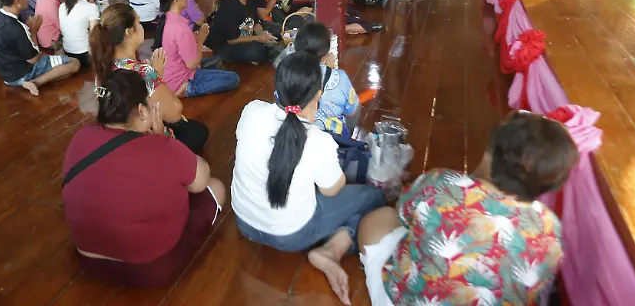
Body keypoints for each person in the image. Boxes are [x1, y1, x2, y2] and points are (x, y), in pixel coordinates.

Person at [357, 111, 579, 306]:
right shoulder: (551, 229)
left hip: (406, 299)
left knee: (380, 219)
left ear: (490, 154)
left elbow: (402, 213)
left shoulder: (441, 183)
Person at [232, 52, 386, 305]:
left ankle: (328, 245)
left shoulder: (251, 111)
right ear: (318, 95)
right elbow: (332, 190)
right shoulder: (318, 141)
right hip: (291, 236)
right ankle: (331, 250)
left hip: (244, 223)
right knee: (374, 196)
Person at [62, 68, 225, 286]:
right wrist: (165, 141)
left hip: (87, 258)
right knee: (216, 187)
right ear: (141, 110)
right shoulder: (163, 147)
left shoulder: (81, 136)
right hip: (147, 269)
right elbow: (200, 182)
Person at [89, 3, 210, 152]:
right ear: (128, 32)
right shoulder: (143, 71)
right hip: (145, 139)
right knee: (197, 130)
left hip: (117, 137)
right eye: (138, 23)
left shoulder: (102, 69)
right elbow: (175, 113)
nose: (141, 27)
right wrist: (157, 76)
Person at [0, 0, 80, 95]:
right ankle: (36, 82)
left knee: (57, 57)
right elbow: (33, 59)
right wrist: (34, 31)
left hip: (7, 76)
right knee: (74, 63)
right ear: (17, 0)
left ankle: (30, 79)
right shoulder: (17, 27)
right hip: (24, 72)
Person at [153, 0, 240, 97]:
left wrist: (195, 41)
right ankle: (188, 90)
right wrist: (200, 41)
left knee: (217, 60)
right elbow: (192, 64)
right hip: (181, 80)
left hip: (173, 73)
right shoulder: (180, 28)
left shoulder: (168, 19)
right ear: (176, 0)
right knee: (234, 78)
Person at [294, 23, 359, 135]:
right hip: (333, 138)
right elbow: (351, 111)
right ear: (327, 53)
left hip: (297, 133)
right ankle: (348, 138)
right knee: (356, 106)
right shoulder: (340, 77)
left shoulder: (288, 74)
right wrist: (330, 71)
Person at [205, 0, 278, 64]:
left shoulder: (249, 0)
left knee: (277, 29)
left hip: (247, 34)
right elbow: (232, 40)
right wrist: (259, 38)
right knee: (257, 51)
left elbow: (255, 22)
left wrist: (263, 34)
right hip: (227, 45)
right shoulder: (229, 7)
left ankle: (265, 48)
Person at [59, 0, 99, 67]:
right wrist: (92, 5)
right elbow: (95, 34)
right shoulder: (91, 7)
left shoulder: (62, 6)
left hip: (68, 52)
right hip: (85, 55)